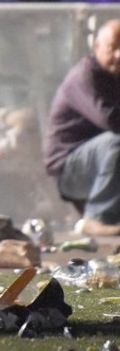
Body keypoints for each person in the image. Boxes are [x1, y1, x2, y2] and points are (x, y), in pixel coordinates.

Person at [44, 19, 120, 235]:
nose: (119, 55)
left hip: (100, 161)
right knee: (118, 140)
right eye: (113, 47)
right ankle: (97, 217)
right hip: (69, 168)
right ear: (96, 45)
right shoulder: (85, 75)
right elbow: (111, 120)